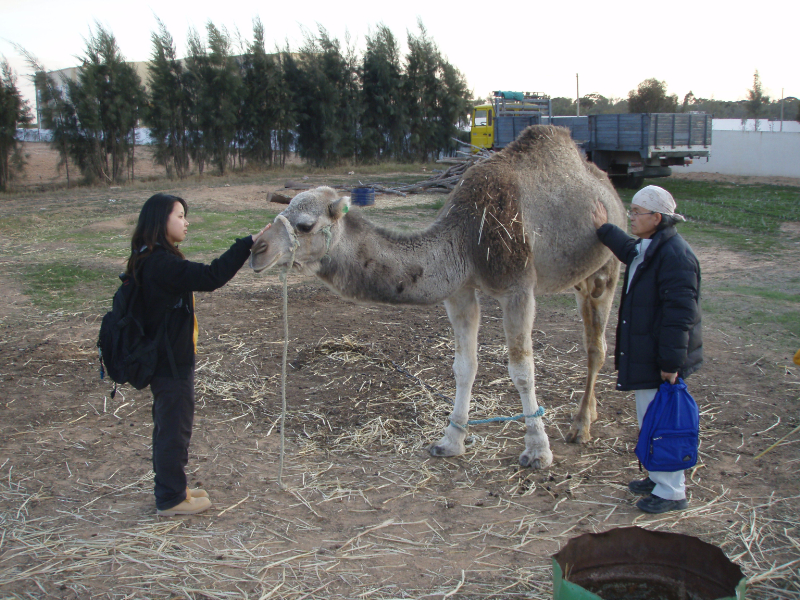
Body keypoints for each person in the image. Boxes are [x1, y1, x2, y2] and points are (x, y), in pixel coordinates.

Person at [127, 193, 269, 516]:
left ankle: (175, 487)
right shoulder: (162, 264)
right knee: (174, 430)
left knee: (169, 426)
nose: (186, 222)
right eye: (179, 216)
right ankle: (171, 499)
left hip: (167, 361)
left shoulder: (150, 257)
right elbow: (211, 276)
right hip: (170, 365)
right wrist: (247, 243)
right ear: (160, 221)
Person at [592, 185, 702, 514]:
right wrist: (604, 229)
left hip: (661, 360)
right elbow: (629, 250)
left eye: (637, 213)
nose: (632, 218)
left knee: (664, 425)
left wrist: (671, 363)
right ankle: (657, 478)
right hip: (650, 355)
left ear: (657, 217)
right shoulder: (653, 247)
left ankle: (671, 493)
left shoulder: (676, 257)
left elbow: (680, 317)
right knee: (650, 421)